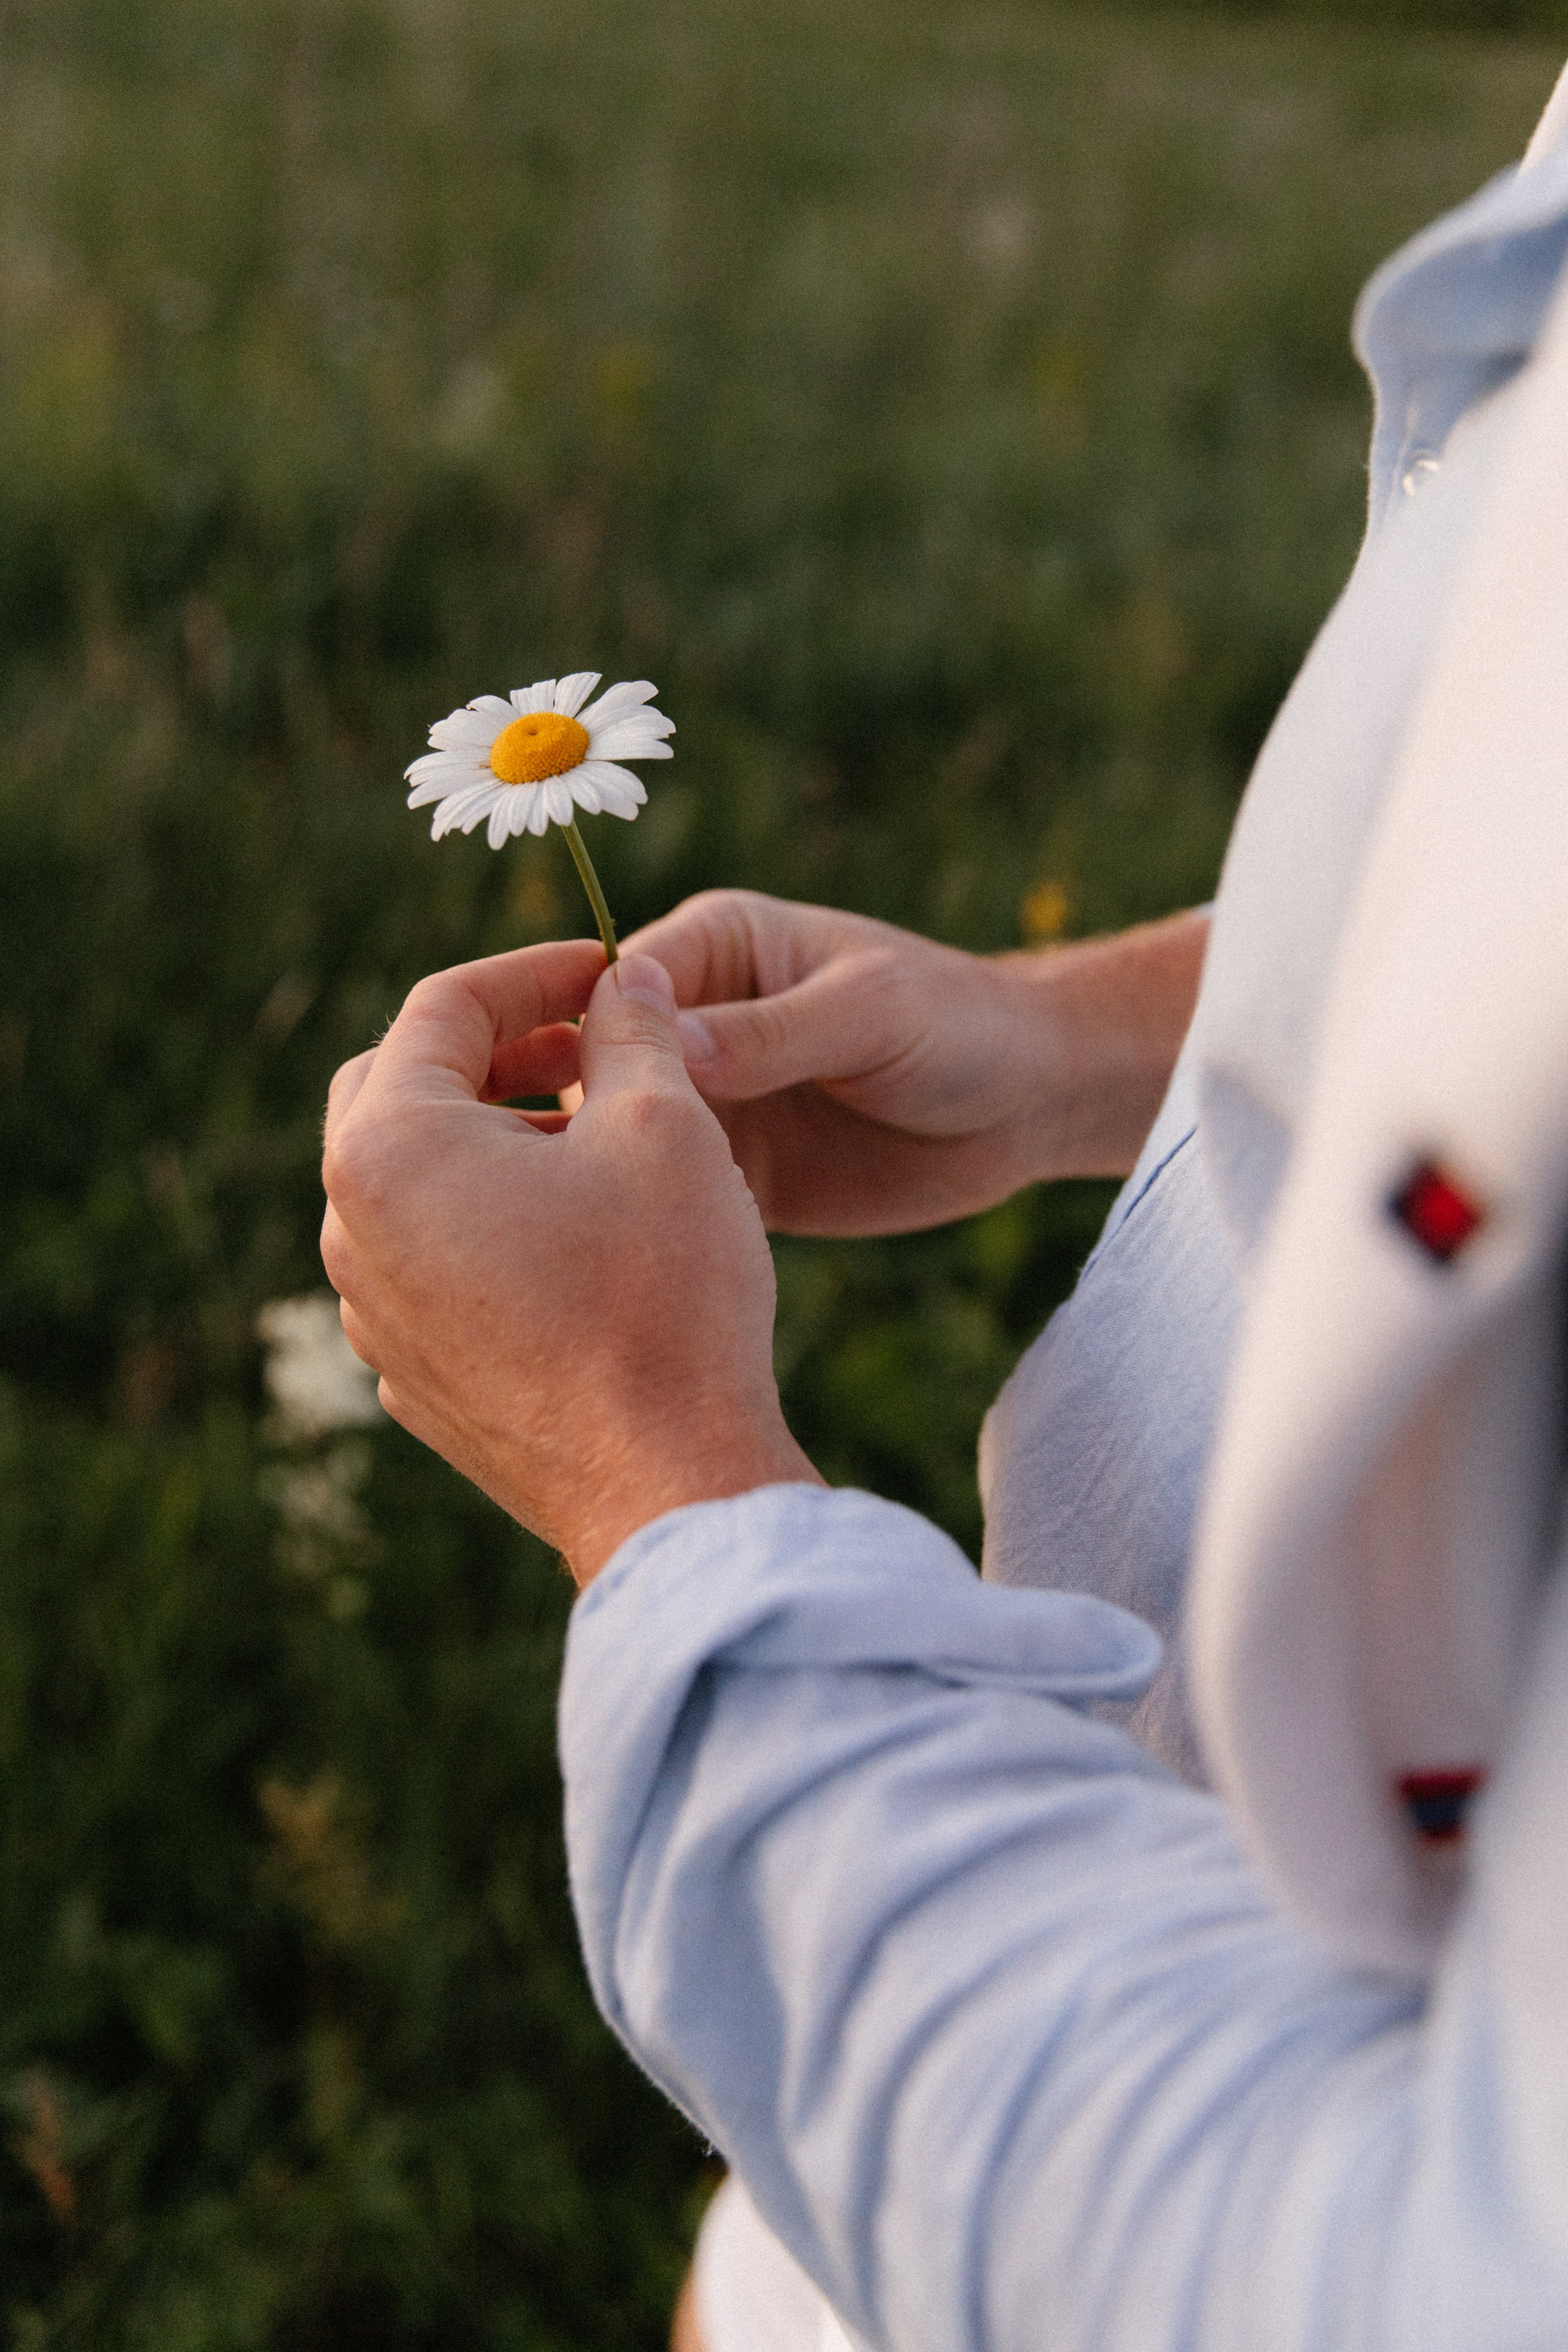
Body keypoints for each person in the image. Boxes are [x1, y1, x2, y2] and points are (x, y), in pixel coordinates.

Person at [321, 59, 1568, 2352]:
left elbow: (1449, 2279)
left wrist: (656, 1479)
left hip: (1103, 2116)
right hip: (1025, 1921)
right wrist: (1066, 1045)